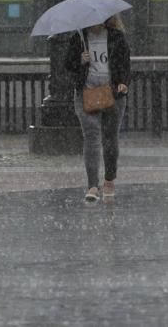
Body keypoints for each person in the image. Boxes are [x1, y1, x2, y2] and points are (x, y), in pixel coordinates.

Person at [65, 15, 131, 203]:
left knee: (110, 137)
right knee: (92, 135)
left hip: (112, 93)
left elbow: (125, 63)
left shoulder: (117, 37)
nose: (96, 23)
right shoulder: (78, 38)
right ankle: (92, 185)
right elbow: (67, 65)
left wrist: (124, 83)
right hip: (87, 93)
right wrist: (80, 60)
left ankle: (109, 180)